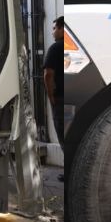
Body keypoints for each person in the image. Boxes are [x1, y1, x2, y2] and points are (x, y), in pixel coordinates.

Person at [43, 16, 64, 182]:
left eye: (54, 28)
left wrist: (51, 96)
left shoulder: (55, 48)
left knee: (62, 136)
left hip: (60, 98)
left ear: (62, 28)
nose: (52, 32)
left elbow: (48, 75)